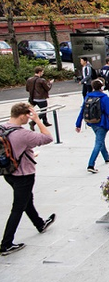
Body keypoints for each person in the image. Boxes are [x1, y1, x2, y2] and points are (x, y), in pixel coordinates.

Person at [1, 103, 55, 256]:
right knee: (18, 208)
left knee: (26, 200)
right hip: (23, 174)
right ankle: (6, 244)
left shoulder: (2, 128)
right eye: (29, 115)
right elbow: (48, 138)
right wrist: (38, 121)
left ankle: (40, 224)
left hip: (8, 172)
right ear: (23, 115)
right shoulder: (23, 134)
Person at [75, 79, 109, 173]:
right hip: (102, 122)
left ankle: (106, 157)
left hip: (92, 122)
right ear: (101, 87)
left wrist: (78, 124)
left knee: (100, 140)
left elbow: (82, 110)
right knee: (99, 142)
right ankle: (91, 164)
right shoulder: (104, 97)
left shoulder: (88, 96)